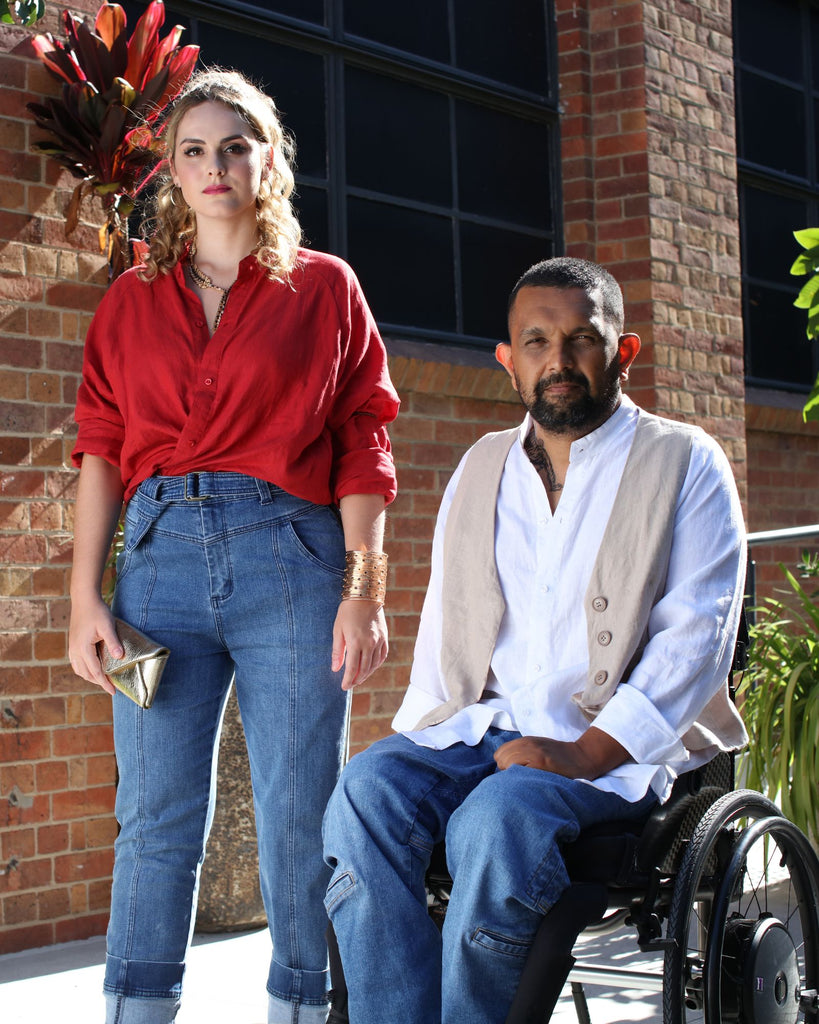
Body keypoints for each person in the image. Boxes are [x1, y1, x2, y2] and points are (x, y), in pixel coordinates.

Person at [322, 257, 747, 1024]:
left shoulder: (684, 462)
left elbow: (695, 642)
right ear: (507, 359)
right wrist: (423, 742)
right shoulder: (481, 464)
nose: (557, 361)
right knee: (365, 792)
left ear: (623, 352)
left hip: (612, 751)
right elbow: (450, 623)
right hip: (484, 730)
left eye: (581, 339)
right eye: (536, 341)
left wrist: (583, 753)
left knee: (496, 820)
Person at [68, 69, 399, 1024]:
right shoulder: (131, 299)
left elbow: (363, 441)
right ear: (171, 172)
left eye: (236, 145)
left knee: (301, 817)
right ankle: (137, 1009)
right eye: (195, 150)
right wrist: (88, 601)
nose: (216, 166)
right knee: (154, 821)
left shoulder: (326, 289)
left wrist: (363, 589)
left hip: (290, 568)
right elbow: (98, 448)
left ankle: (298, 1008)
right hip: (154, 574)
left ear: (269, 159)